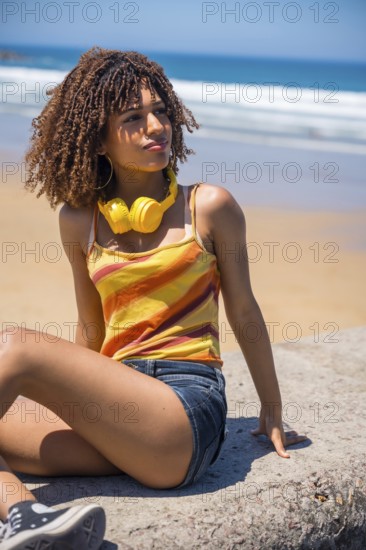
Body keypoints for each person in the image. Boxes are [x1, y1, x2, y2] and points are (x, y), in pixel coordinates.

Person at [0, 46, 306, 548]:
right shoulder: (79, 220)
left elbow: (244, 310)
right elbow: (91, 330)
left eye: (161, 111)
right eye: (134, 117)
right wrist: (77, 402)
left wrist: (271, 409)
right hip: (121, 416)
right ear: (98, 139)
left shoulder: (208, 206)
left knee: (12, 344)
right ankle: (25, 515)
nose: (156, 126)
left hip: (183, 414)